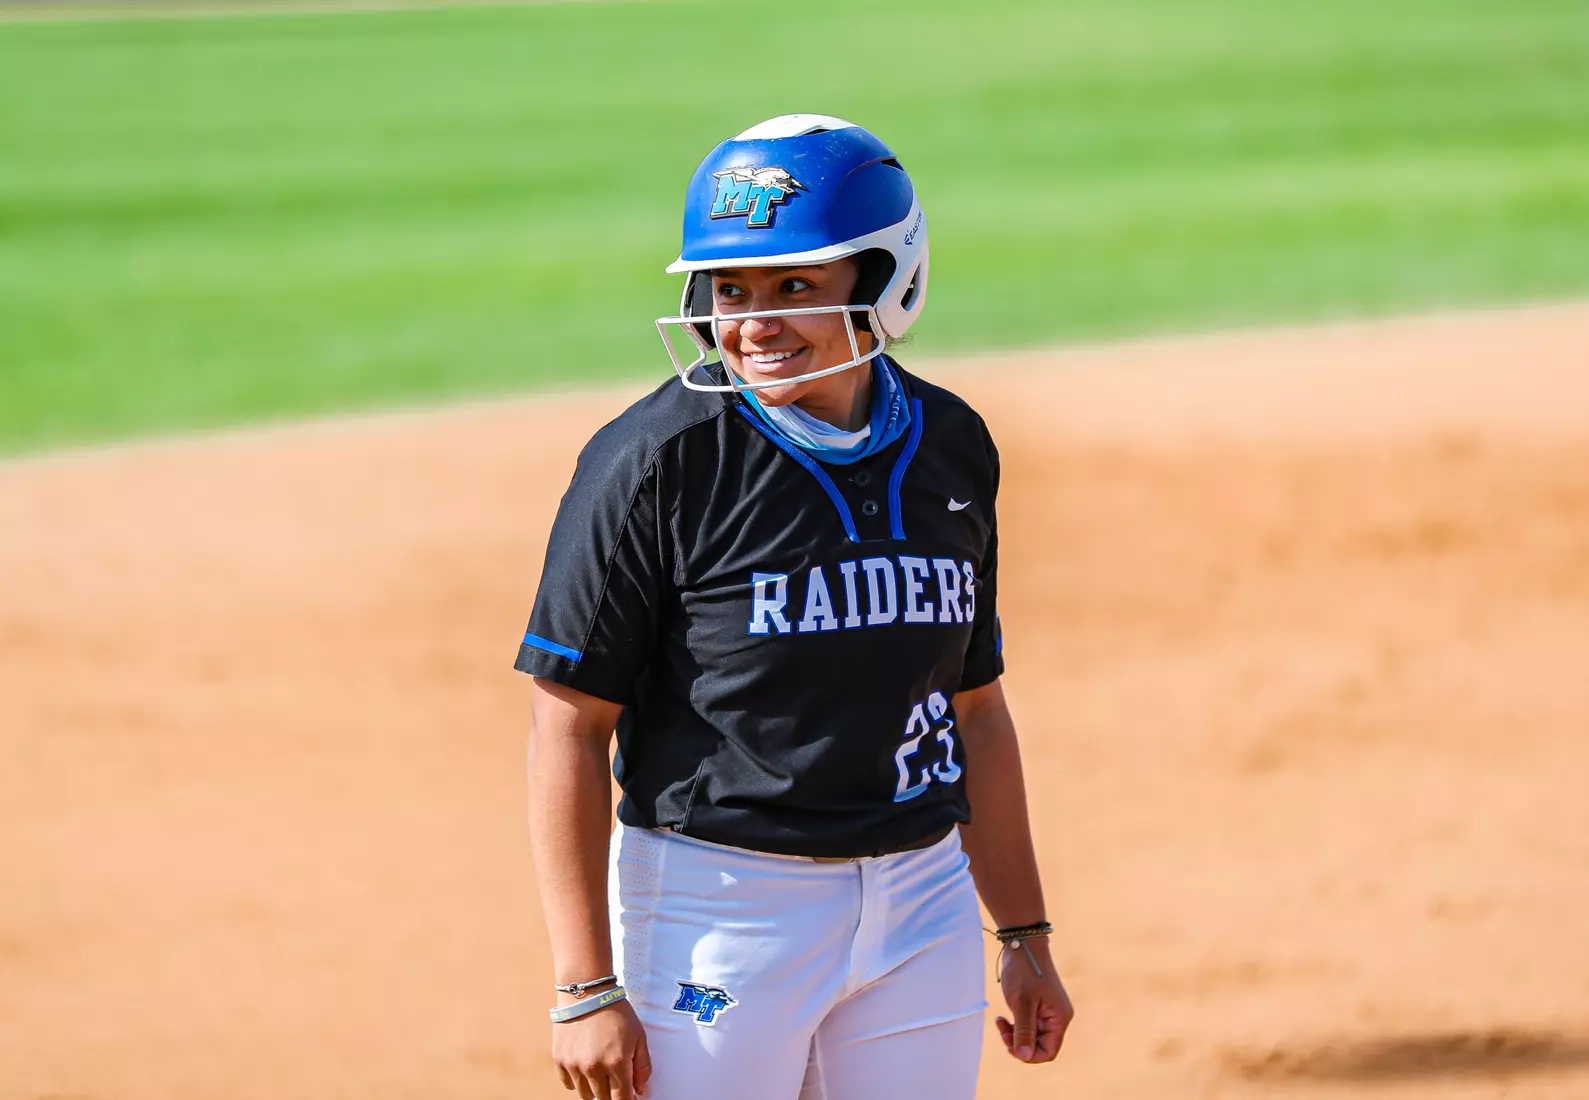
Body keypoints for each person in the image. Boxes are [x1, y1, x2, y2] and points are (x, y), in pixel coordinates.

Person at [517, 114, 1073, 1100]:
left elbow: (973, 707)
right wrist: (582, 985)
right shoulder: (657, 462)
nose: (753, 322)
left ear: (881, 282)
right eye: (728, 289)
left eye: (793, 287)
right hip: (718, 904)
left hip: (921, 899)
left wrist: (1022, 932)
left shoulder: (948, 444)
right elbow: (566, 724)